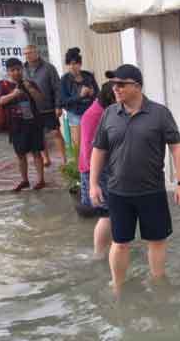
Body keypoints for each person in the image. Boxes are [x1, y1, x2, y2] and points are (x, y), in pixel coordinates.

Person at [89, 64, 180, 295]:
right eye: (114, 84)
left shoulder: (159, 113)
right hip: (118, 191)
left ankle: (158, 283)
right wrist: (94, 184)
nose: (116, 88)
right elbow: (99, 150)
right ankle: (117, 286)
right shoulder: (109, 113)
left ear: (137, 86)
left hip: (151, 190)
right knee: (120, 242)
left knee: (156, 240)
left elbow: (176, 148)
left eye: (121, 84)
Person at [0, 58, 46, 191]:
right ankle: (25, 180)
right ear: (8, 72)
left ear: (22, 70)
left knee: (36, 152)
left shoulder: (30, 83)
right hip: (16, 125)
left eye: (18, 69)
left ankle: (41, 180)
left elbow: (41, 100)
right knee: (20, 154)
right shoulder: (4, 85)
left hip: (33, 123)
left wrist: (31, 89)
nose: (16, 72)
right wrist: (14, 94)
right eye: (13, 70)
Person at [77, 81, 115, 258]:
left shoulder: (95, 111)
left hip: (95, 169)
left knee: (108, 214)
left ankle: (107, 250)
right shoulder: (97, 115)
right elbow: (94, 150)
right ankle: (100, 254)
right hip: (97, 170)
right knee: (107, 214)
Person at [23, 44, 67, 167]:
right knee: (39, 136)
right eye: (26, 53)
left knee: (55, 133)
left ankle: (64, 159)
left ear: (37, 53)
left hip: (48, 107)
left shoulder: (48, 68)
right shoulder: (23, 69)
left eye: (30, 52)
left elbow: (57, 88)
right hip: (32, 109)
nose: (28, 55)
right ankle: (46, 159)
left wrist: (58, 106)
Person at [60, 47, 99, 149]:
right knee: (80, 146)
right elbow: (63, 102)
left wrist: (92, 93)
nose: (72, 66)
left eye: (74, 63)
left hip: (91, 112)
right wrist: (79, 96)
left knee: (94, 143)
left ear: (80, 64)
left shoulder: (88, 76)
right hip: (75, 115)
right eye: (69, 64)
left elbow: (98, 95)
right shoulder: (64, 80)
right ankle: (81, 165)